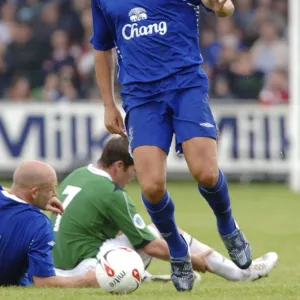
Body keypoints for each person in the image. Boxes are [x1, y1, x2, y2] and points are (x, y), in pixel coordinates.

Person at [91, 0, 250, 291]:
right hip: (140, 96)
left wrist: (224, 7)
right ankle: (178, 250)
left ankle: (228, 225)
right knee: (151, 187)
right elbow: (102, 47)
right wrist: (108, 103)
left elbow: (223, 7)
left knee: (206, 173)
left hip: (185, 84)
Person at [51, 137, 278, 284]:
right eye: (134, 169)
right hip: (88, 267)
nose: (136, 176)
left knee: (136, 234)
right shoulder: (111, 193)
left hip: (59, 265)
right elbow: (148, 244)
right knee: (161, 232)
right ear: (118, 166)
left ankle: (152, 278)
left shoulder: (79, 174)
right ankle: (240, 273)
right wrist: (190, 259)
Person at [0, 160, 97, 287]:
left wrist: (41, 199)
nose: (55, 194)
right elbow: (44, 281)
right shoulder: (39, 224)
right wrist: (86, 280)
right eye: (51, 189)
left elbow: (14, 191)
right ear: (34, 192)